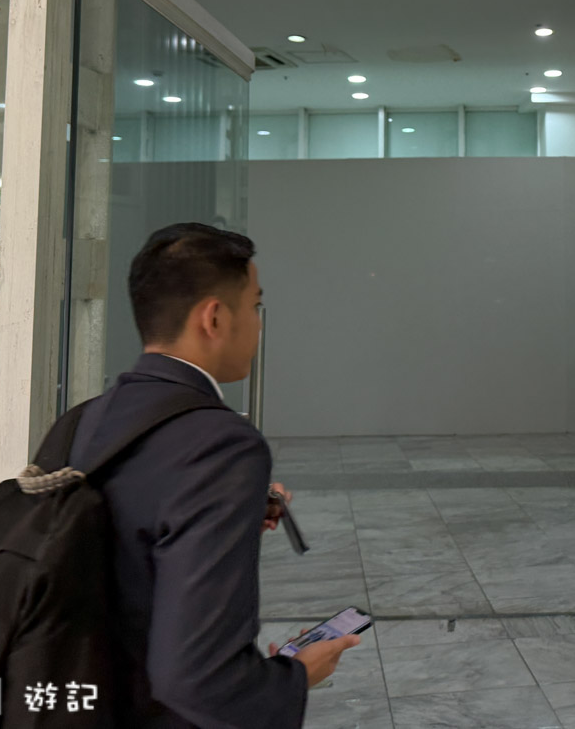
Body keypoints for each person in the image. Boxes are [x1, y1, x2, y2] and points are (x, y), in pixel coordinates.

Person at [69, 222, 359, 728]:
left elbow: (131, 544)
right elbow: (199, 680)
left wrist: (233, 510)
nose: (258, 323)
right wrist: (294, 676)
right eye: (254, 306)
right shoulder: (221, 445)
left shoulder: (85, 419)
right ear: (215, 317)